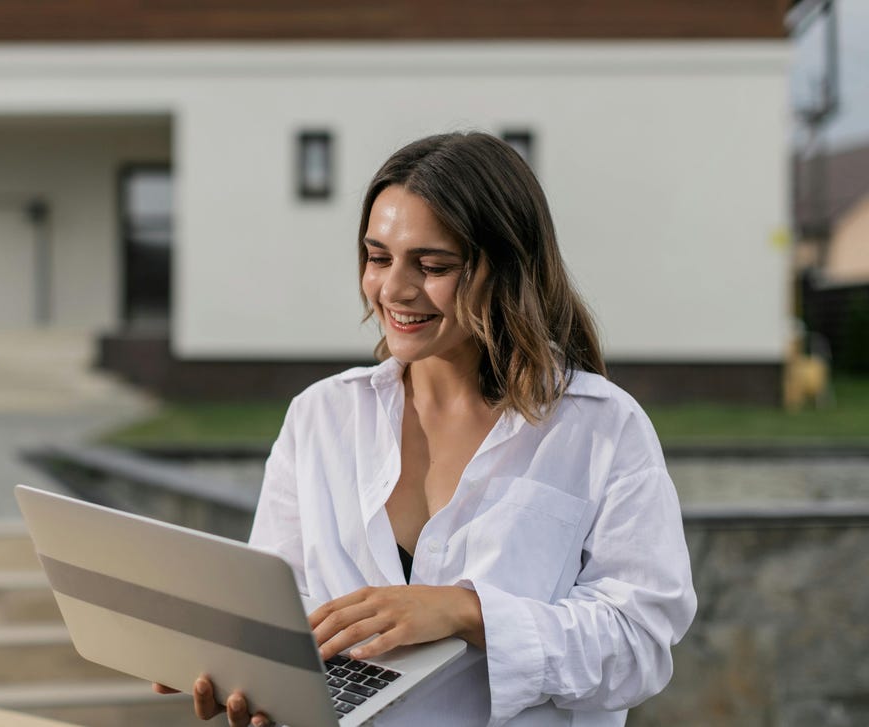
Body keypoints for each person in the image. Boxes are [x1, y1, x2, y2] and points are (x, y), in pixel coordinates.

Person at [159, 131, 697, 726]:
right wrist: (246, 673)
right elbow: (285, 614)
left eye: (432, 265)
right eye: (378, 257)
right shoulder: (320, 417)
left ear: (507, 268)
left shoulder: (602, 429)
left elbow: (640, 646)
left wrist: (469, 613)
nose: (393, 289)